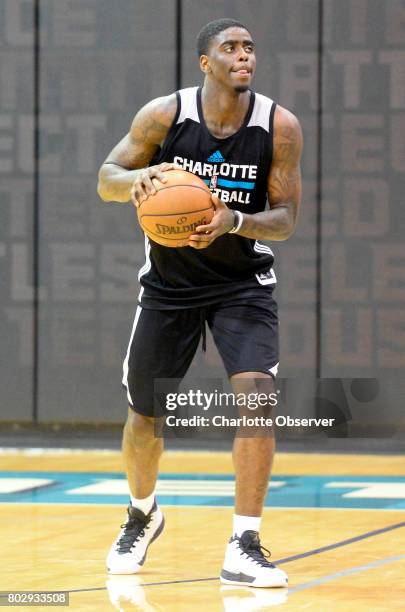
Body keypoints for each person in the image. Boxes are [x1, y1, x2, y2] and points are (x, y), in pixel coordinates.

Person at [98, 17, 302, 588]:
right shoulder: (166, 116)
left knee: (258, 398)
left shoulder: (277, 126)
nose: (244, 56)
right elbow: (107, 175)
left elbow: (285, 219)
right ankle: (143, 513)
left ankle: (245, 542)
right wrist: (136, 182)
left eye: (250, 48)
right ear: (204, 63)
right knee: (144, 416)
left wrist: (234, 220)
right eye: (230, 48)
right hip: (169, 287)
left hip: (242, 283)